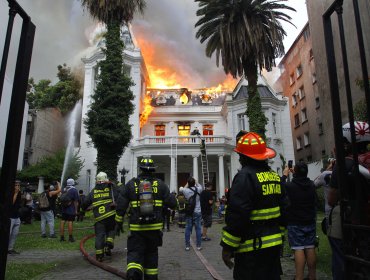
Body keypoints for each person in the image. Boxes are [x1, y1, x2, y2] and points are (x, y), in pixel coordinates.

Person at [220, 132, 287, 280]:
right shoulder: (275, 178)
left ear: (243, 157)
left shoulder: (244, 177)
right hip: (274, 247)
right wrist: (280, 238)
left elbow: (238, 216)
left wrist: (228, 247)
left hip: (251, 251)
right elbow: (285, 211)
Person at [115, 157, 176, 280]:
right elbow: (173, 204)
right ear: (153, 170)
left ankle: (133, 273)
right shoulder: (160, 184)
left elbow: (121, 205)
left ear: (141, 169)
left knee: (135, 252)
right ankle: (151, 277)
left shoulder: (131, 184)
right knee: (151, 254)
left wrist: (118, 222)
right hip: (154, 229)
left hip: (137, 228)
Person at [328, 121, 370, 280]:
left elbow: (332, 199)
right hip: (367, 215)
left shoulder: (344, 163)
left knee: (341, 257)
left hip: (351, 216)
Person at [282, 161, 317, 280]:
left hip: (295, 221)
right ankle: (312, 276)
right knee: (310, 247)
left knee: (298, 249)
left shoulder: (290, 186)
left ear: (295, 172)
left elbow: (280, 187)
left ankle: (299, 277)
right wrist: (296, 173)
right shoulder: (311, 185)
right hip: (310, 220)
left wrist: (285, 175)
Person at [82, 172, 118, 262]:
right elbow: (119, 195)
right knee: (111, 229)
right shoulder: (111, 188)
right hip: (110, 215)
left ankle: (99, 255)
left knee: (99, 236)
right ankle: (109, 242)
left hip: (99, 218)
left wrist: (85, 208)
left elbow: (85, 203)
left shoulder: (93, 191)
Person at [182, 177, 203, 251]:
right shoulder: (199, 189)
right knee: (198, 228)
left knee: (188, 228)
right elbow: (200, 185)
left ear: (188, 183)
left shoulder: (185, 190)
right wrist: (196, 181)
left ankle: (187, 246)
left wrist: (188, 183)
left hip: (189, 212)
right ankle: (199, 246)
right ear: (194, 183)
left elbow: (182, 189)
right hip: (197, 211)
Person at [59, 178, 79, 242]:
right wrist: (76, 210)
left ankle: (62, 237)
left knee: (63, 221)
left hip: (64, 208)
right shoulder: (74, 190)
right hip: (71, 209)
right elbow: (76, 201)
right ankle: (70, 238)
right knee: (70, 222)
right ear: (73, 183)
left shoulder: (64, 189)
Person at [8, 180, 22, 254]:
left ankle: (10, 248)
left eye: (19, 185)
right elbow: (11, 204)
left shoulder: (19, 193)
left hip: (16, 216)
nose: (17, 187)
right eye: (16, 185)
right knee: (8, 233)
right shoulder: (10, 193)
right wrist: (16, 193)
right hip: (10, 216)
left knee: (15, 233)